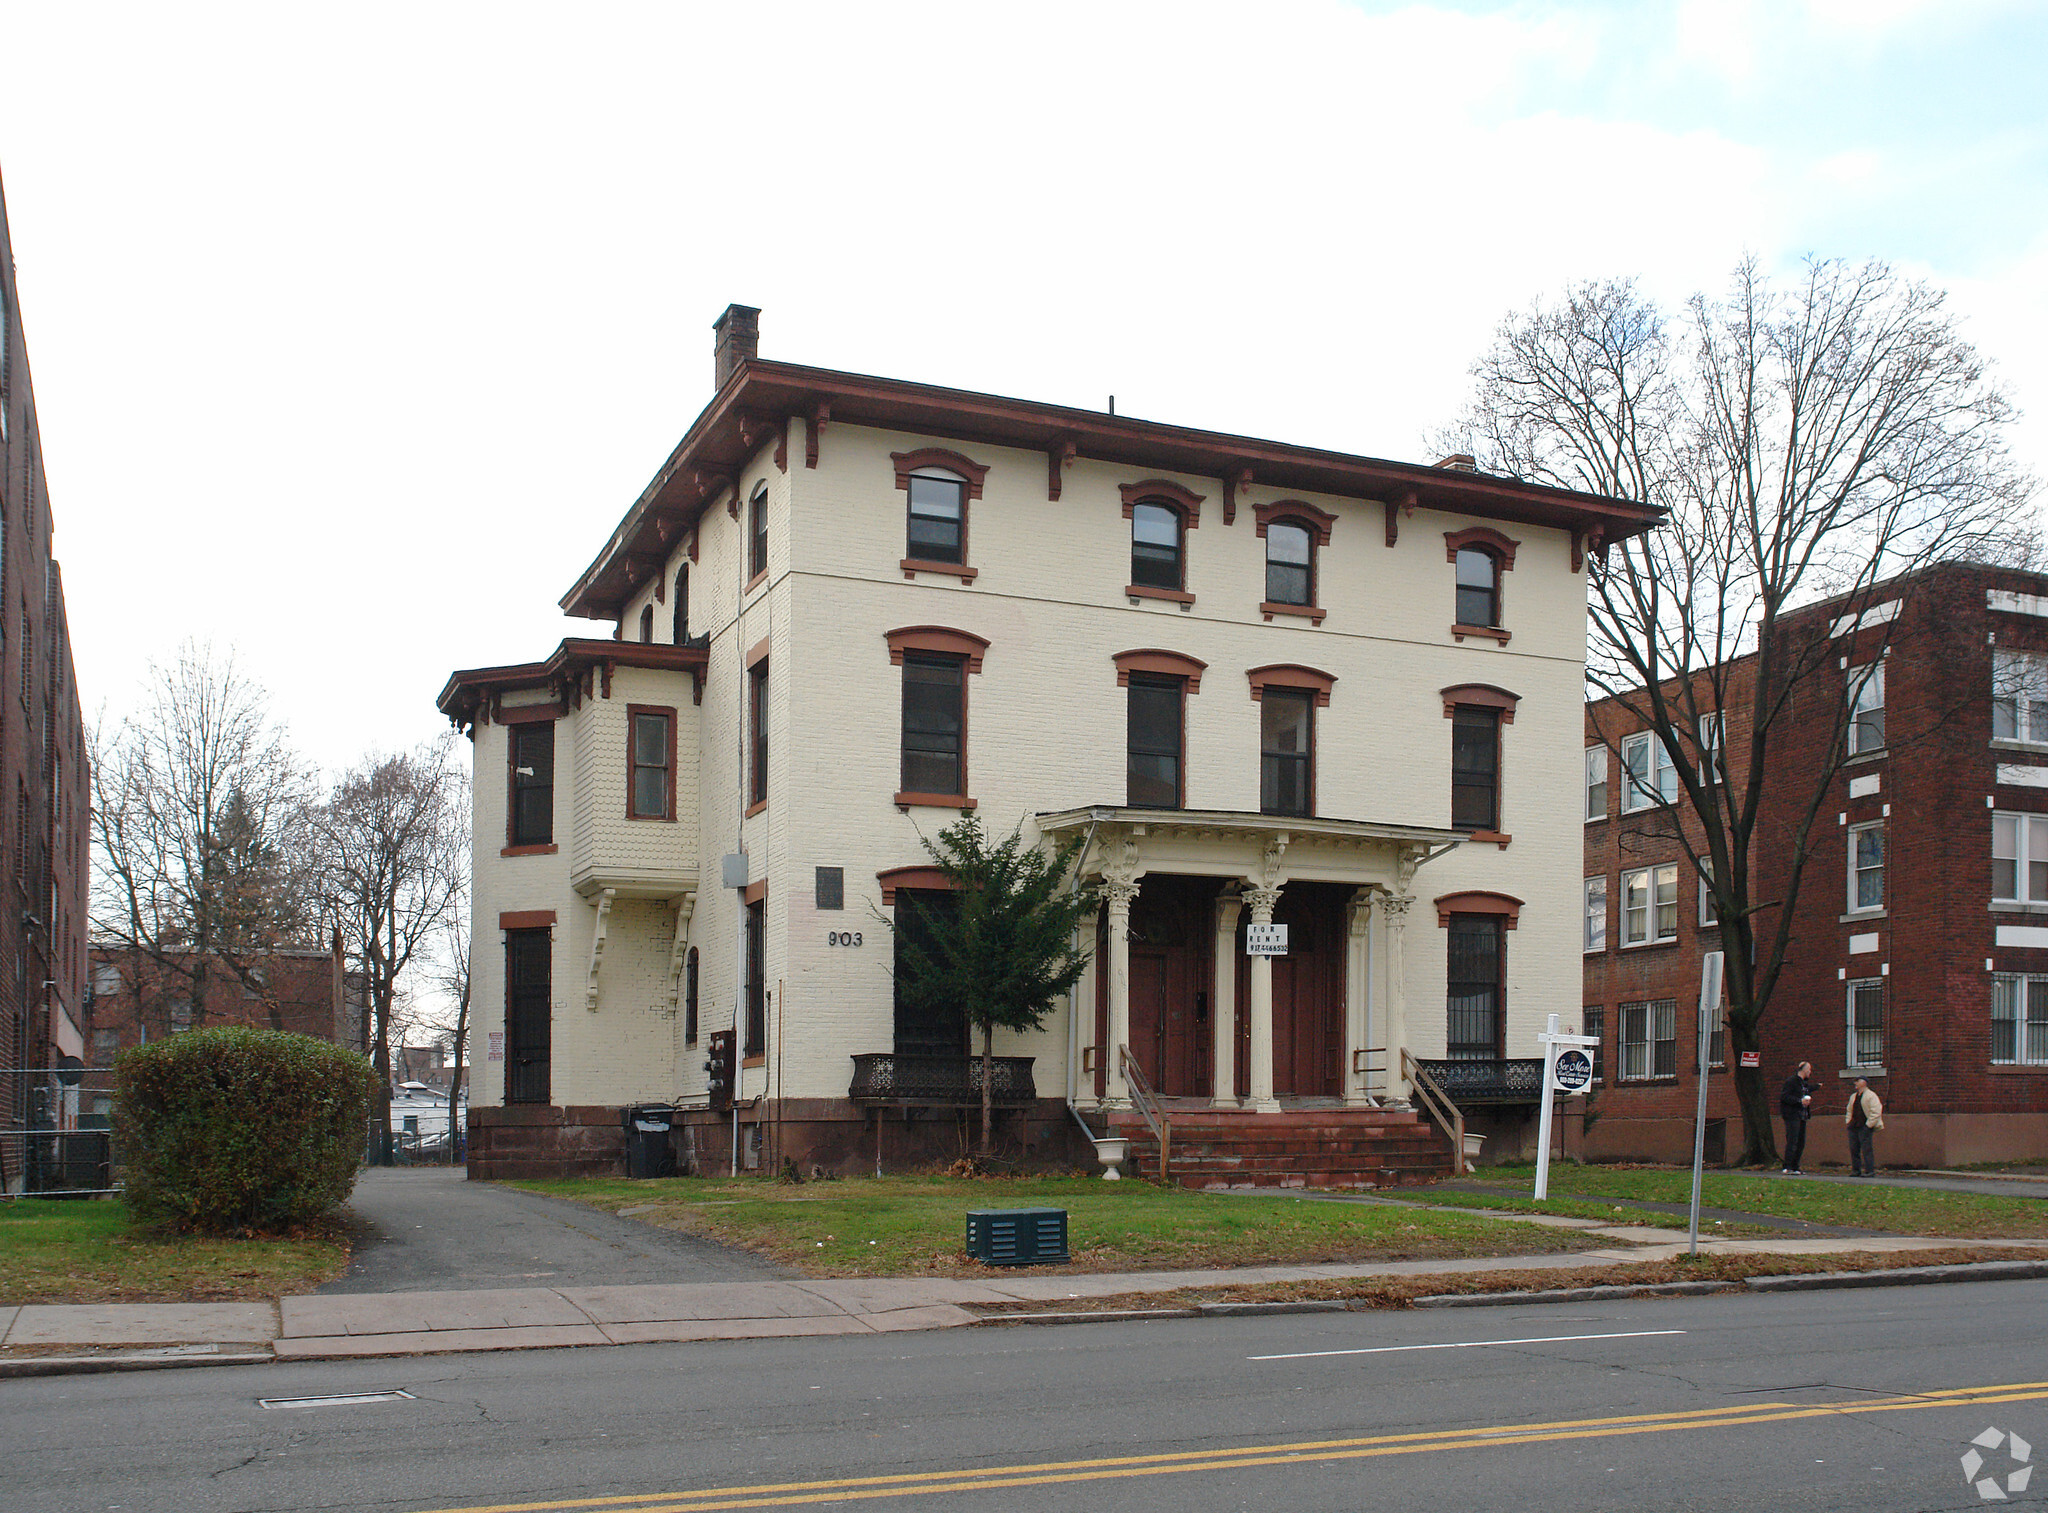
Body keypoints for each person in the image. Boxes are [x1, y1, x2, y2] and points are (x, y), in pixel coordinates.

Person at [1778, 1061, 1815, 1173]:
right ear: (1803, 1070)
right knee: (1792, 1140)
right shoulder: (1791, 1081)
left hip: (1802, 1115)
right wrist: (1799, 1101)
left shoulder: (1804, 1083)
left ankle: (1795, 1166)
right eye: (1809, 1069)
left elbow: (1808, 1089)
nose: (1810, 1072)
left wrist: (1816, 1087)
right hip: (1792, 1115)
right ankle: (1787, 1165)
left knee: (1800, 1141)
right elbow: (1785, 1097)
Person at [1844, 1077, 1884, 1177]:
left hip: (1864, 1126)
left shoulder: (1871, 1096)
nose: (1855, 1083)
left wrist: (1868, 1125)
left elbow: (1876, 1111)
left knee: (1866, 1149)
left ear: (1864, 1083)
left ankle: (1869, 1171)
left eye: (1858, 1081)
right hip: (1854, 1126)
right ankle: (1856, 1170)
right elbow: (1849, 1110)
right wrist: (1848, 1122)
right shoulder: (1853, 1096)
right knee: (1854, 1149)